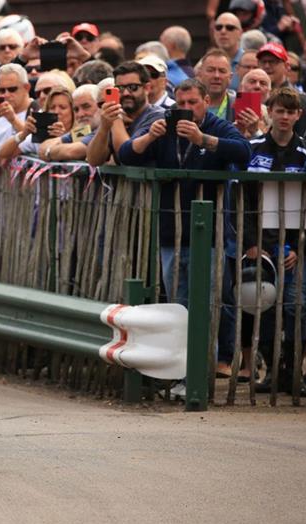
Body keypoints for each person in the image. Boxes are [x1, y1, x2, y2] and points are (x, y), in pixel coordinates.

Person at [119, 78, 251, 390]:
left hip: (210, 233)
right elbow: (127, 154)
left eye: (193, 103)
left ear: (206, 101)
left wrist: (204, 139)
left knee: (204, 305)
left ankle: (200, 376)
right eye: (181, 104)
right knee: (178, 304)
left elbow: (243, 152)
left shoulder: (218, 125)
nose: (186, 110)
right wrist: (148, 138)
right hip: (170, 232)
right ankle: (180, 373)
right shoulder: (164, 125)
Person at [244, 87, 306, 396]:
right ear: (269, 111)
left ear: (299, 115)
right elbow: (242, 201)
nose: (285, 116)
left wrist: (300, 248)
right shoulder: (252, 148)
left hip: (297, 247)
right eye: (280, 110)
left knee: (296, 307)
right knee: (263, 308)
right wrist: (251, 243)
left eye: (291, 112)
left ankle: (294, 372)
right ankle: (271, 372)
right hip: (260, 246)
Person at [86, 61, 165, 166]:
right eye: (120, 88)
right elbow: (94, 160)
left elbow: (126, 156)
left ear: (147, 88)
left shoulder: (157, 116)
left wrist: (116, 119)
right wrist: (104, 127)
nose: (126, 93)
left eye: (133, 87)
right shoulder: (114, 117)